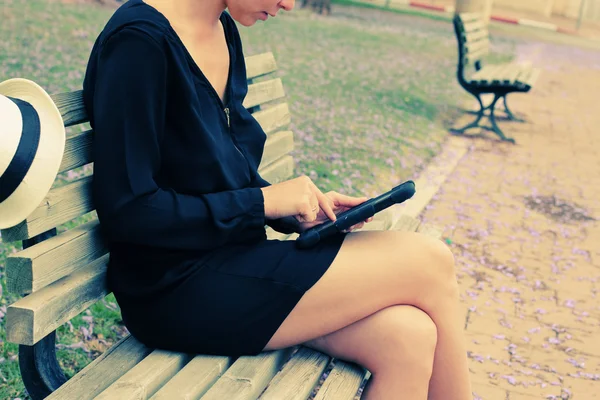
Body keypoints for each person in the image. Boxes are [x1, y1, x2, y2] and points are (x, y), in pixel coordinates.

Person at [82, 0, 473, 398]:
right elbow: (128, 210)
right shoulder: (138, 42)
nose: (288, 3)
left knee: (408, 337)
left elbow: (219, 169)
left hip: (235, 263)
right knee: (431, 262)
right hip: (174, 287)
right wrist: (264, 204)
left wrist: (297, 213)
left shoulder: (222, 29)